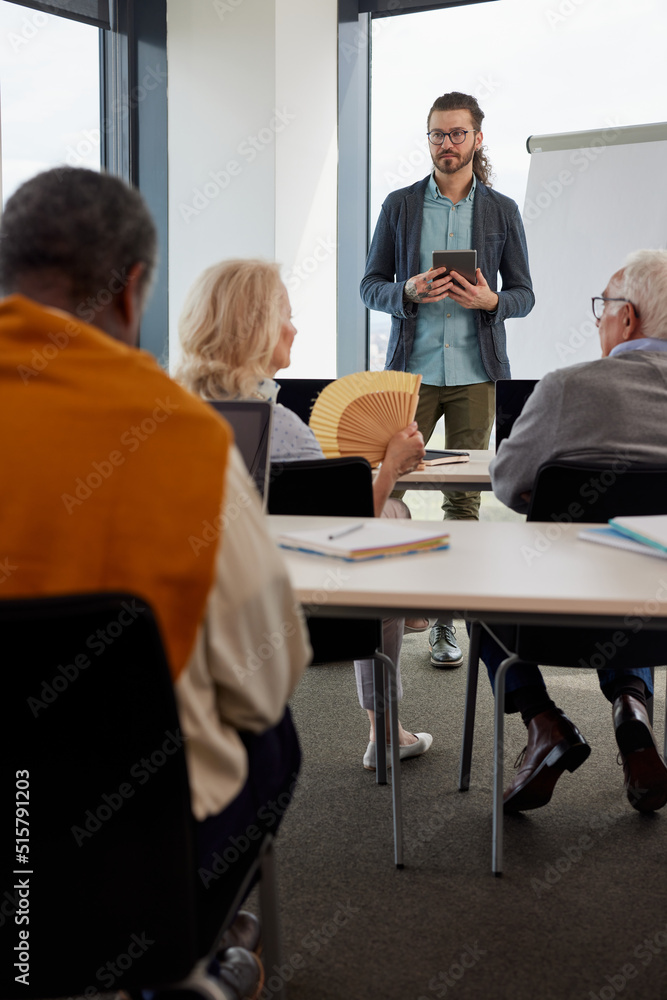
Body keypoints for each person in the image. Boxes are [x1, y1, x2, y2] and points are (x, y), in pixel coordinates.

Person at [0, 167, 312, 1000]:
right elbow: (262, 682)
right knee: (275, 735)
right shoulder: (176, 437)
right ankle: (193, 960)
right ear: (133, 288)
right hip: (120, 862)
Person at [176, 257, 434, 770]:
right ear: (254, 329)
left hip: (193, 616)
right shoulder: (279, 426)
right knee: (390, 526)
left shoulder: (168, 415)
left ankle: (408, 616)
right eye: (285, 316)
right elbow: (338, 534)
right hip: (298, 611)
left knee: (392, 521)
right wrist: (390, 470)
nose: (294, 328)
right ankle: (385, 724)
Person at [484, 249, 667, 815]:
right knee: (630, 560)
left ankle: (543, 722)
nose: (598, 320)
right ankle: (633, 711)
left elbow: (508, 483)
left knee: (479, 569)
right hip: (657, 613)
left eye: (604, 308)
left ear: (628, 318)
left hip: (554, 616)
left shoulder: (567, 386)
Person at [360, 90, 534, 670]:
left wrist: (491, 300)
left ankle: (441, 625)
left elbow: (524, 295)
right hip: (410, 374)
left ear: (477, 139)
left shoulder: (502, 210)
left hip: (475, 375)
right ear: (428, 138)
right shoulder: (401, 205)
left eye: (458, 134)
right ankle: (383, 613)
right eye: (437, 134)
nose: (447, 144)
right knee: (392, 489)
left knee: (463, 500)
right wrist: (406, 291)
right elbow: (369, 286)